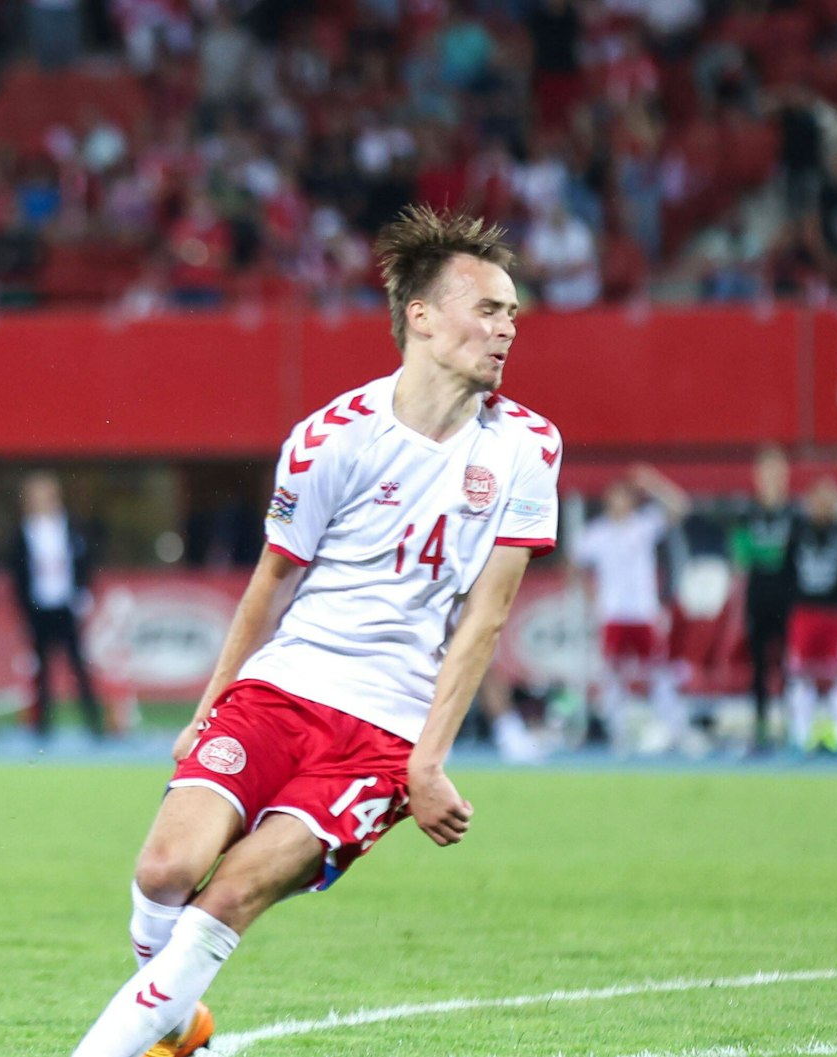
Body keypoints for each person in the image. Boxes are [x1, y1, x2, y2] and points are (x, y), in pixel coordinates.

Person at [67, 207, 561, 1057]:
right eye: (489, 308)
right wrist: (212, 703)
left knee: (231, 895)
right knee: (165, 872)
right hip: (282, 687)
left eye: (513, 312)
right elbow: (273, 580)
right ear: (423, 315)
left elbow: (486, 617)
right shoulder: (331, 437)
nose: (508, 328)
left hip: (383, 729)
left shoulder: (529, 447)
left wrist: (428, 761)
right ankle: (187, 1032)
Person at [571, 464, 690, 754]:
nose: (620, 502)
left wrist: (651, 481)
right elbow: (574, 564)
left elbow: (681, 505)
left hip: (643, 613)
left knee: (657, 673)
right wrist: (589, 599)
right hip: (613, 615)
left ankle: (674, 729)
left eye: (625, 496)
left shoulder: (644, 524)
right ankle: (619, 734)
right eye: (615, 497)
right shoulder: (597, 533)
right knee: (613, 677)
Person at [8, 472, 103, 741]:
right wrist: (24, 607)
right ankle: (42, 726)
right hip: (39, 607)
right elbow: (17, 572)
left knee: (78, 665)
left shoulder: (71, 527)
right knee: (42, 669)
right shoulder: (24, 531)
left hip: (66, 605)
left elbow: (85, 561)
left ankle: (93, 723)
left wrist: (81, 592)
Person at [784, 477, 837, 755]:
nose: (823, 506)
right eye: (818, 499)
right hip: (805, 614)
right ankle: (801, 736)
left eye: (829, 500)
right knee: (800, 675)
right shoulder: (796, 533)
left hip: (835, 614)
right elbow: (786, 568)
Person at [731, 446, 797, 753]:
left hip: (787, 597)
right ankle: (760, 726)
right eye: (765, 472)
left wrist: (766, 554)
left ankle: (789, 723)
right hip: (758, 596)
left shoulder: (795, 513)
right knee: (758, 664)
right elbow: (742, 554)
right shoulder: (747, 513)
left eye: (776, 472)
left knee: (787, 663)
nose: (771, 478)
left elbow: (796, 554)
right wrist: (771, 554)